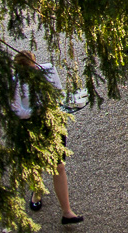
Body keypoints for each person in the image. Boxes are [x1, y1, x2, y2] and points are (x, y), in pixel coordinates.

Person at [12, 51, 82, 225]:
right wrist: (37, 112)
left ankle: (67, 212)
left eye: (33, 66)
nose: (33, 69)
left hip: (53, 123)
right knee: (36, 162)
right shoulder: (15, 83)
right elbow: (17, 111)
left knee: (59, 165)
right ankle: (37, 191)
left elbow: (59, 93)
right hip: (31, 126)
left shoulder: (47, 71)